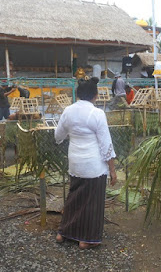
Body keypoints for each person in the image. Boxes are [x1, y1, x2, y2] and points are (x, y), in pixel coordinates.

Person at [54, 77, 117, 249]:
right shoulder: (97, 114)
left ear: (77, 94)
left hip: (75, 163)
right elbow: (106, 145)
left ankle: (63, 233)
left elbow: (58, 136)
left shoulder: (68, 111)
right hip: (94, 165)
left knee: (74, 198)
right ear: (95, 95)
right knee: (92, 202)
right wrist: (112, 170)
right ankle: (85, 239)